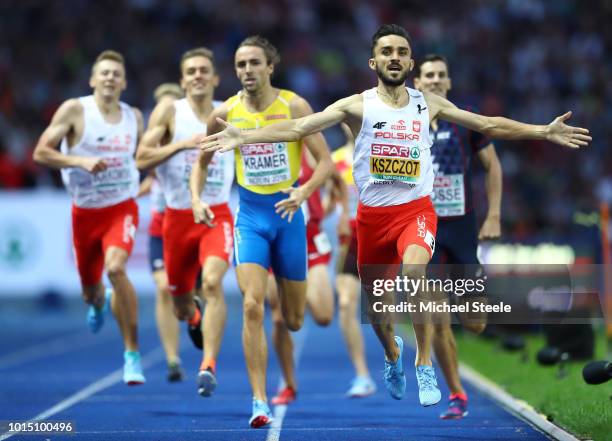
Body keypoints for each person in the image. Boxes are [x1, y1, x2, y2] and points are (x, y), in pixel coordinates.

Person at [197, 24, 591, 409]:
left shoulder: (428, 102)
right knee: (380, 314)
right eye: (387, 52)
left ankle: (423, 364)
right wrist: (244, 136)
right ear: (374, 62)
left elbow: (487, 125)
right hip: (372, 219)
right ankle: (392, 355)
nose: (395, 58)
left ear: (410, 61)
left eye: (402, 52)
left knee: (414, 274)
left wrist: (542, 131)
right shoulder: (356, 105)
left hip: (416, 211)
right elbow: (300, 126)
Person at [191, 35, 333, 427]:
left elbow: (324, 162)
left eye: (254, 63)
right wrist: (196, 198)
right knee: (252, 306)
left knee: (294, 319)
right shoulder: (225, 113)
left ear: (271, 67)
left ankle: (282, 342)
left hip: (288, 218)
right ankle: (258, 401)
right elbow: (201, 164)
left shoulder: (294, 106)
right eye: (240, 64)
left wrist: (303, 191)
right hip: (251, 217)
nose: (247, 71)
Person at [33, 50, 146, 385]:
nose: (110, 78)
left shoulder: (133, 117)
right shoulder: (75, 110)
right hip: (85, 212)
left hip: (121, 207)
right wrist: (80, 162)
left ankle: (131, 354)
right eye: (104, 73)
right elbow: (41, 152)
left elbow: (138, 158)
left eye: (116, 73)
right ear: (93, 80)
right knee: (91, 293)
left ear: (124, 82)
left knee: (116, 268)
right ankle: (99, 302)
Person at [136, 48, 234, 397]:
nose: (197, 76)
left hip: (216, 213)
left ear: (215, 78)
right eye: (190, 70)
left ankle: (208, 365)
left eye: (204, 70)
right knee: (179, 304)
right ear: (182, 80)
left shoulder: (229, 112)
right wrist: (181, 145)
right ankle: (193, 317)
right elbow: (142, 157)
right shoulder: (169, 112)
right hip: (176, 219)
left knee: (211, 283)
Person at [414, 54, 501, 419]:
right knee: (435, 318)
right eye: (428, 75)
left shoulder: (466, 121)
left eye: (441, 75)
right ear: (417, 83)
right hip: (425, 229)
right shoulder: (406, 123)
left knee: (476, 323)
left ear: (448, 82)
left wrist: (494, 214)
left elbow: (492, 166)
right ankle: (457, 394)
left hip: (463, 229)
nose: (434, 80)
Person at [268, 147, 338, 405]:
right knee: (278, 318)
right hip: (276, 238)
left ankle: (297, 291)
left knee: (323, 315)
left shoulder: (308, 148)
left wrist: (328, 208)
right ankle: (289, 384)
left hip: (309, 239)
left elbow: (334, 177)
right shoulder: (262, 148)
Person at [137, 82, 185, 382]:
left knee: (190, 294)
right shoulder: (154, 142)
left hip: (189, 224)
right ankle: (172, 358)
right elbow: (148, 173)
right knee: (163, 288)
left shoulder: (191, 137)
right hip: (160, 225)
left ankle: (193, 318)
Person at [329, 124, 377, 397]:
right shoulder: (335, 161)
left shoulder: (382, 155)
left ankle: (394, 358)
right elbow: (329, 200)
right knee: (347, 302)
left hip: (378, 236)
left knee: (381, 308)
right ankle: (362, 375)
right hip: (349, 237)